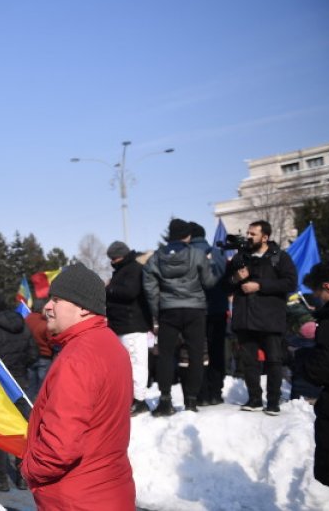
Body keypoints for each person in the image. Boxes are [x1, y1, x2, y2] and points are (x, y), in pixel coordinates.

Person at [21, 263, 135, 510]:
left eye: (57, 300)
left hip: (77, 498)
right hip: (109, 490)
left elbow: (59, 447)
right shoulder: (110, 344)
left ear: (83, 308)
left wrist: (29, 468)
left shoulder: (78, 357)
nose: (47, 306)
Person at [143, 218, 218, 416]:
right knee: (195, 355)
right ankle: (191, 401)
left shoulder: (157, 258)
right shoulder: (197, 254)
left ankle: (165, 399)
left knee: (166, 356)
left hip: (168, 310)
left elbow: (150, 288)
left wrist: (156, 311)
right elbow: (209, 282)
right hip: (195, 310)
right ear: (187, 236)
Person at [224, 220, 298, 415]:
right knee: (249, 362)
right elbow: (226, 284)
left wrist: (260, 286)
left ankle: (273, 401)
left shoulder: (280, 257)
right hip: (245, 319)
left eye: (253, 234)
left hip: (271, 319)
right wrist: (237, 279)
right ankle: (254, 398)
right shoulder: (240, 258)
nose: (248, 236)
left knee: (274, 360)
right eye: (248, 233)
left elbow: (290, 283)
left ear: (265, 237)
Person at [0, 293, 37, 492]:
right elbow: (33, 354)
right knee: (22, 430)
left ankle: (0, 479)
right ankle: (22, 477)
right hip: (20, 384)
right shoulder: (23, 324)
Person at [105, 240, 153, 416]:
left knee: (136, 364)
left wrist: (109, 289)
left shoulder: (133, 269)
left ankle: (139, 400)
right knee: (128, 364)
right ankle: (131, 398)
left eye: (114, 258)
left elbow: (130, 292)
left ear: (121, 256)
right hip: (122, 325)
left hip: (132, 325)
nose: (112, 261)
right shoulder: (123, 270)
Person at [188, 223, 230, 407]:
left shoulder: (188, 254)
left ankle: (201, 393)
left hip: (196, 309)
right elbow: (226, 277)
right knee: (217, 350)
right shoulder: (219, 252)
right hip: (218, 308)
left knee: (198, 352)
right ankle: (216, 392)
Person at [302, 263, 329, 488]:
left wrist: (302, 358)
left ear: (328, 287)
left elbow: (321, 369)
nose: (319, 300)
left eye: (319, 295)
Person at [25, 299, 53, 400]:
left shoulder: (26, 319)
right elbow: (51, 340)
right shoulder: (44, 322)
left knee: (30, 386)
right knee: (42, 387)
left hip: (29, 356)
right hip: (44, 357)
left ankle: (28, 407)